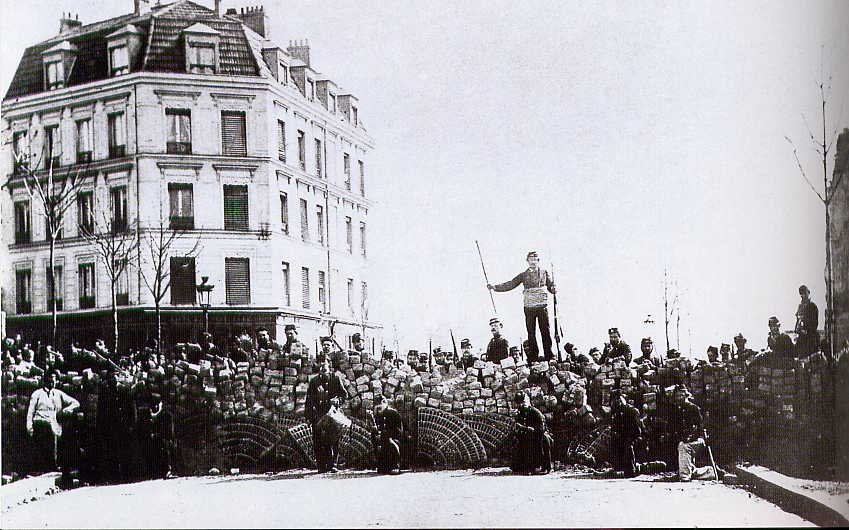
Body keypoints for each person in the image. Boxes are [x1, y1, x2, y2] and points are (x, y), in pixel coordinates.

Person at [488, 251, 556, 362]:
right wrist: (495, 287)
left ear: (538, 261)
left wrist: (553, 288)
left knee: (545, 331)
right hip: (529, 307)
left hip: (542, 305)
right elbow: (511, 284)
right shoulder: (523, 275)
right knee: (531, 332)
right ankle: (534, 356)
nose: (533, 262)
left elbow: (550, 286)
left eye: (535, 259)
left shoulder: (544, 273)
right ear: (527, 261)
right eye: (531, 259)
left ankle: (549, 355)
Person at [26, 370, 80, 475]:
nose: (52, 382)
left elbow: (75, 403)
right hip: (40, 423)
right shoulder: (37, 394)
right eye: (50, 380)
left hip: (53, 423)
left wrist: (68, 409)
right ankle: (45, 466)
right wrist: (29, 427)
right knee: (47, 429)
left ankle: (54, 464)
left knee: (56, 431)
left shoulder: (58, 393)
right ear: (45, 381)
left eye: (54, 380)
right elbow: (30, 411)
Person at [304, 354, 349, 473]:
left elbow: (344, 395)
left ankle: (333, 464)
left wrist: (338, 400)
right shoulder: (314, 381)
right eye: (320, 362)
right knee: (318, 440)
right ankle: (321, 466)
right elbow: (309, 399)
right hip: (319, 414)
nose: (322, 365)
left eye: (324, 362)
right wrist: (308, 416)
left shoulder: (335, 378)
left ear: (329, 364)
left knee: (333, 439)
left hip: (332, 413)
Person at [672, 386, 718, 482]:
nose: (679, 398)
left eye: (681, 395)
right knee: (681, 445)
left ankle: (684, 476)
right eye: (677, 396)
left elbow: (700, 427)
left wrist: (691, 437)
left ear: (686, 395)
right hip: (684, 439)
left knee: (683, 446)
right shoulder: (676, 410)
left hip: (698, 439)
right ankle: (708, 471)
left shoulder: (694, 408)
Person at [511, 392, 552, 474]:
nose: (522, 405)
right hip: (527, 434)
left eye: (524, 403)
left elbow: (541, 428)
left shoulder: (536, 412)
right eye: (520, 404)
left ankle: (545, 467)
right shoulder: (521, 413)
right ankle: (524, 467)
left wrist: (529, 429)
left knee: (544, 441)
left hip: (539, 434)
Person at [608, 391, 644, 477]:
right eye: (615, 400)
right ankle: (618, 467)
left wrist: (625, 436)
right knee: (614, 441)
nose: (617, 402)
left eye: (619, 399)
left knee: (628, 445)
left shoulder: (632, 411)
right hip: (624, 436)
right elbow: (615, 427)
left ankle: (631, 470)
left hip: (636, 437)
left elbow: (637, 431)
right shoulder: (616, 412)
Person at [369, 394, 403, 474]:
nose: (378, 410)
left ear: (385, 403)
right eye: (377, 408)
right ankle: (382, 464)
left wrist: (386, 434)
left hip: (394, 440)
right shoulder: (378, 415)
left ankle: (395, 465)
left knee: (387, 440)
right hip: (383, 440)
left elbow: (399, 432)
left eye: (380, 408)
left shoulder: (393, 414)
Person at [795, 285, 819, 356]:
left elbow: (815, 323)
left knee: (811, 358)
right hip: (802, 338)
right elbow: (797, 320)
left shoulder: (812, 306)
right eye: (801, 294)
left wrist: (807, 330)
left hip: (811, 337)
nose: (803, 295)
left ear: (808, 293)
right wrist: (797, 329)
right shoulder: (800, 306)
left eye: (805, 293)